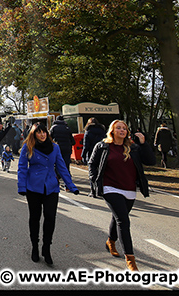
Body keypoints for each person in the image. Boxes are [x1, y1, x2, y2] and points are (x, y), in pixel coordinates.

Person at [88, 119, 155, 272]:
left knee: (117, 217)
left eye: (124, 128)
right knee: (123, 221)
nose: (122, 130)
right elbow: (92, 163)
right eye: (118, 128)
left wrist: (144, 143)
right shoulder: (103, 146)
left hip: (129, 189)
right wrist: (94, 179)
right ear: (112, 130)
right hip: (110, 188)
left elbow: (151, 161)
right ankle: (130, 259)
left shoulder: (133, 148)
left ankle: (110, 241)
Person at [17, 123, 79, 265]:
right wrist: (22, 186)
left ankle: (46, 247)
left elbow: (62, 167)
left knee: (50, 217)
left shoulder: (55, 148)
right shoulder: (28, 147)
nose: (42, 135)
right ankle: (34, 247)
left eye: (44, 132)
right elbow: (22, 167)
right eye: (38, 132)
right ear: (34, 134)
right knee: (35, 218)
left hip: (51, 187)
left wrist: (71, 185)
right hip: (33, 187)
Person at [49, 116, 73, 185]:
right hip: (67, 148)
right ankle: (67, 184)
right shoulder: (67, 128)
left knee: (56, 164)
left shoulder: (53, 128)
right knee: (66, 165)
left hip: (57, 148)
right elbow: (72, 140)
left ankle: (56, 179)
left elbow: (50, 138)